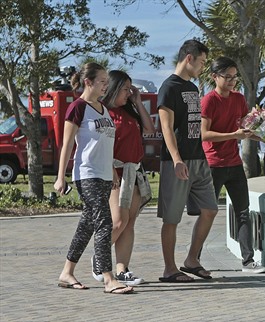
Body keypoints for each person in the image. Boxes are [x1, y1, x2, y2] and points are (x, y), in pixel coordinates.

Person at [54, 62, 134, 294]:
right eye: (102, 82)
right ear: (88, 82)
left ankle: (66, 273)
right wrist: (61, 177)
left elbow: (105, 144)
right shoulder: (77, 108)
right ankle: (109, 279)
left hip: (104, 175)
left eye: (107, 83)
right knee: (104, 223)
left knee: (86, 226)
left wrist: (112, 170)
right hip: (86, 175)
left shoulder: (104, 109)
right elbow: (67, 144)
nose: (105, 86)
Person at [157, 39, 218, 282]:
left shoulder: (193, 89)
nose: (203, 67)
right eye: (202, 62)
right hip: (178, 161)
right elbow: (166, 127)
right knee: (172, 218)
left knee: (210, 210)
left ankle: (191, 260)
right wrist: (176, 160)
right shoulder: (168, 88)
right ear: (189, 58)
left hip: (199, 159)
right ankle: (169, 269)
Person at [200, 56, 265, 273]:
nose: (231, 81)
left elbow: (245, 129)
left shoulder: (239, 99)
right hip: (213, 165)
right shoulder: (209, 101)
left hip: (234, 164)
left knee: (243, 212)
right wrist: (233, 135)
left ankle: (248, 261)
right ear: (214, 77)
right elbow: (204, 135)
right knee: (207, 213)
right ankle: (194, 258)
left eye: (234, 77)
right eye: (227, 77)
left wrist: (264, 134)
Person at [90, 70, 156, 286]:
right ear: (114, 88)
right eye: (126, 89)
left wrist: (137, 101)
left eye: (130, 89)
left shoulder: (129, 111)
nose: (129, 93)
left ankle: (122, 269)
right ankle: (99, 257)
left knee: (129, 222)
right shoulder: (103, 112)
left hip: (134, 171)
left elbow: (149, 128)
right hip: (115, 172)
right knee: (119, 220)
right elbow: (99, 146)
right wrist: (110, 171)